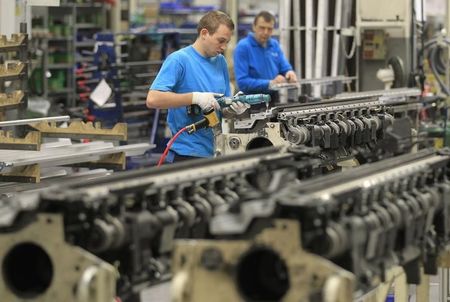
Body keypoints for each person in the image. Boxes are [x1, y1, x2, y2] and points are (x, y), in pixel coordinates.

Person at [147, 11, 248, 163]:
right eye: (221, 41)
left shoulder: (220, 62)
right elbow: (153, 99)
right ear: (204, 33)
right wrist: (195, 97)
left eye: (227, 42)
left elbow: (222, 106)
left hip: (215, 151)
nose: (224, 47)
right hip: (186, 154)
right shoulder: (179, 60)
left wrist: (233, 110)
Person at [233, 11, 298, 100]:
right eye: (262, 28)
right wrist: (270, 83)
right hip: (251, 101)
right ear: (254, 27)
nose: (266, 32)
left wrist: (289, 73)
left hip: (273, 98)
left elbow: (284, 67)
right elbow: (242, 82)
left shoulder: (274, 44)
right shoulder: (243, 47)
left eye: (269, 29)